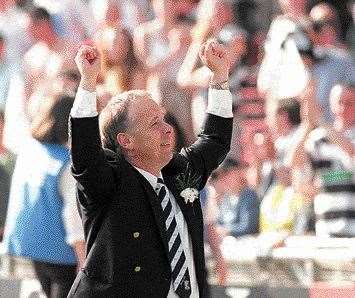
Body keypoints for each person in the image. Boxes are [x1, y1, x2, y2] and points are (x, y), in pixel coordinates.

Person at [68, 40, 233, 297]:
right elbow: (85, 156)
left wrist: (220, 77)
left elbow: (215, 141)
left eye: (164, 118)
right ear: (126, 141)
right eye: (154, 123)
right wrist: (88, 82)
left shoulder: (180, 171)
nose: (168, 129)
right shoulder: (109, 181)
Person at [2, 94, 85, 297]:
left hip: (31, 246)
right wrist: (83, 261)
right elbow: (72, 217)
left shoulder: (29, 151)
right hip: (61, 253)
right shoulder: (66, 163)